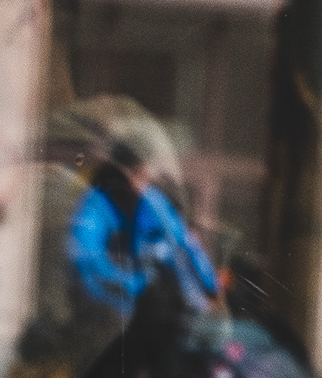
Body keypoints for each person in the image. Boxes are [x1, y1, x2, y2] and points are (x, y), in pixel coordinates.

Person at [67, 139, 220, 325]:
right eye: (136, 174)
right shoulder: (94, 209)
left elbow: (183, 243)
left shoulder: (151, 201)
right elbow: (88, 267)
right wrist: (141, 288)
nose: (142, 184)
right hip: (114, 320)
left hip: (170, 315)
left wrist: (209, 285)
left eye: (144, 175)